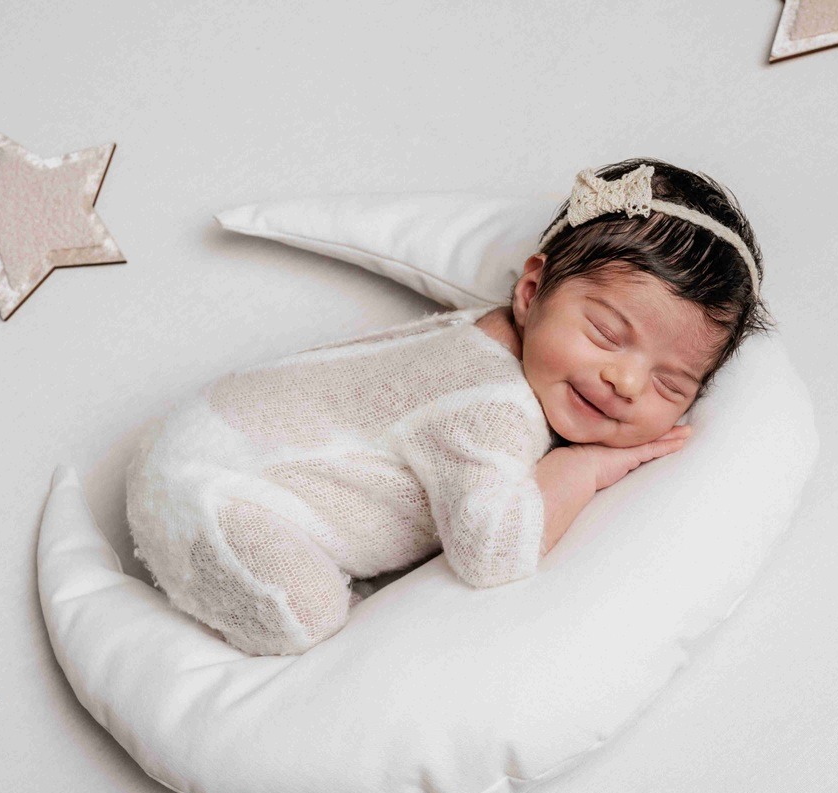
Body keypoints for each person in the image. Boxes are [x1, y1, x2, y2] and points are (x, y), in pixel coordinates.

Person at [124, 157, 775, 656]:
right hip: (215, 497)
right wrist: (582, 469)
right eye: (606, 333)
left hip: (208, 440)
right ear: (530, 292)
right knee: (310, 620)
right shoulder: (488, 401)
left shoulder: (490, 337)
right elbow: (491, 552)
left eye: (671, 385)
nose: (626, 382)